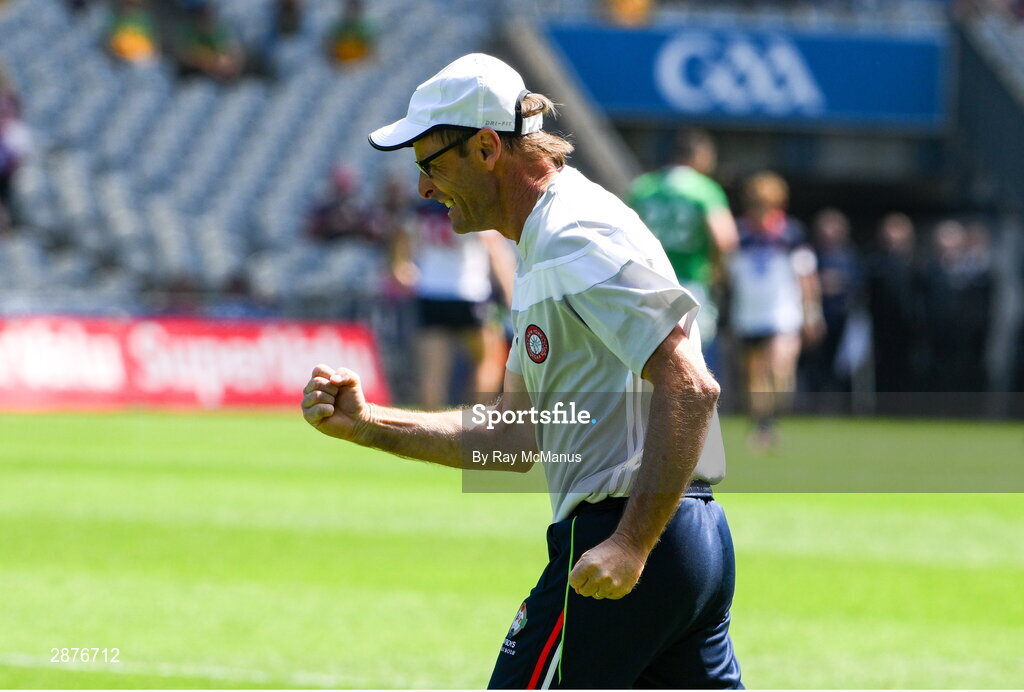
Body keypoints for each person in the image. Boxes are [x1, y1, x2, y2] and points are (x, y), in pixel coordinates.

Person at [301, 53, 741, 688]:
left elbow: (691, 385)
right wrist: (371, 424)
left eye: (432, 163)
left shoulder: (573, 235)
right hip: (678, 537)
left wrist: (631, 543)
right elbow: (510, 440)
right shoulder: (546, 243)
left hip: (626, 533)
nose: (424, 187)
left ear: (486, 148)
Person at [727, 171, 823, 450]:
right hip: (748, 314)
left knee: (781, 368)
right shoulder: (739, 233)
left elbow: (806, 274)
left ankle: (774, 418)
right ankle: (762, 427)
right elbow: (726, 270)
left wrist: (812, 312)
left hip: (783, 313)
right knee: (754, 375)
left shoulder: (790, 233)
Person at [627, 128, 738, 365]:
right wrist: (716, 269)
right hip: (691, 281)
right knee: (695, 355)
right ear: (699, 155)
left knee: (652, 356)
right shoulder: (705, 189)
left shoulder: (643, 188)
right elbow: (725, 238)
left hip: (649, 283)